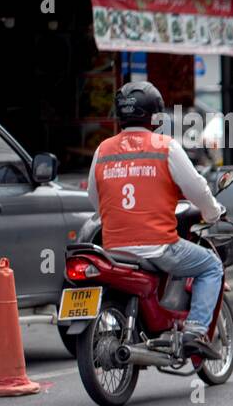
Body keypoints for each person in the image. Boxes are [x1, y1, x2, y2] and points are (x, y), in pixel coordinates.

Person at [88, 81, 226, 357]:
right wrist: (213, 212)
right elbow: (197, 188)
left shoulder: (102, 149)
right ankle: (196, 330)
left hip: (113, 247)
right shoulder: (166, 147)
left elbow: (95, 197)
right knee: (211, 266)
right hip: (158, 246)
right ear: (155, 115)